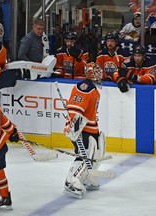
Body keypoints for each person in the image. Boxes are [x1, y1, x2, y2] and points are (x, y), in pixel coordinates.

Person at [63, 62, 106, 198]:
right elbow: (75, 109)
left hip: (91, 128)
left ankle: (85, 178)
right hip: (82, 130)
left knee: (96, 154)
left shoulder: (93, 89)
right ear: (92, 74)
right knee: (84, 155)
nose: (100, 74)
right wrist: (75, 129)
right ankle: (71, 181)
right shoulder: (85, 87)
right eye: (97, 72)